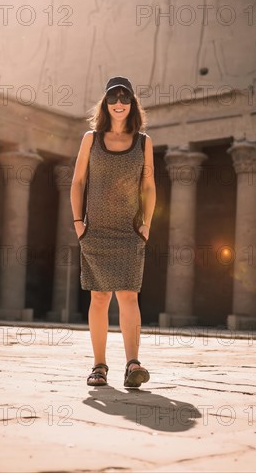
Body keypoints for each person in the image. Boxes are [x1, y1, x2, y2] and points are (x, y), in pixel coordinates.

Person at [70, 76, 156, 387]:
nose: (118, 103)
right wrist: (79, 224)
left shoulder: (143, 142)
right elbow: (78, 182)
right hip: (96, 231)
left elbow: (148, 185)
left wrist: (146, 224)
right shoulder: (90, 139)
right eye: (113, 98)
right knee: (100, 297)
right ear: (105, 104)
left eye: (124, 97)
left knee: (130, 296)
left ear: (132, 103)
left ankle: (133, 364)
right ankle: (99, 366)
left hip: (129, 230)